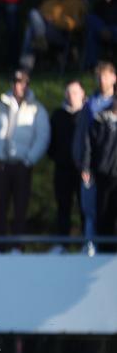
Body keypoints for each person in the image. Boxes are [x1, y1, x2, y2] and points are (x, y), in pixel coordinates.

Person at [0, 70, 49, 253]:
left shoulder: (36, 109)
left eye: (22, 82)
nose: (18, 85)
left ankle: (18, 246)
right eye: (15, 81)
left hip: (22, 164)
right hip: (2, 164)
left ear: (28, 84)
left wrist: (30, 159)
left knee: (20, 207)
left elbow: (42, 137)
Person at [77, 62, 117, 254]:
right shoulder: (95, 111)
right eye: (99, 76)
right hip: (101, 172)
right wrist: (85, 165)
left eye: (106, 76)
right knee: (98, 212)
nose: (102, 80)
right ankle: (98, 249)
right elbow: (87, 141)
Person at [47, 80, 86, 253]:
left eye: (75, 92)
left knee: (85, 207)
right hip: (62, 169)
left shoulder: (88, 114)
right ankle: (62, 244)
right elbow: (51, 142)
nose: (72, 96)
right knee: (63, 207)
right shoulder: (58, 115)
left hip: (83, 170)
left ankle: (87, 243)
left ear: (83, 94)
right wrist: (57, 157)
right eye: (69, 92)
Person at [18, 0, 86, 71]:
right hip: (45, 29)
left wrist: (55, 21)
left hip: (62, 34)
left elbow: (77, 23)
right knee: (33, 16)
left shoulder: (77, 3)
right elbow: (37, 17)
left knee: (31, 30)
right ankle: (40, 39)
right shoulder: (49, 2)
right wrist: (46, 18)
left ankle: (25, 68)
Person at [83, 0, 117, 70]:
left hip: (114, 30)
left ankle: (105, 31)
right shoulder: (101, 4)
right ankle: (92, 66)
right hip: (102, 29)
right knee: (91, 31)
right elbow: (93, 17)